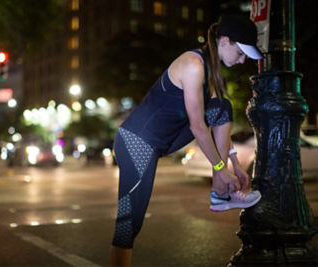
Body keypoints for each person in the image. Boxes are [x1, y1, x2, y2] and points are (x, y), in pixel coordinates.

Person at [110, 15, 263, 266]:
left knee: (222, 106)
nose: (243, 59)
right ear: (225, 41)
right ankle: (221, 183)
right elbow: (197, 126)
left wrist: (234, 164)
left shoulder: (211, 73)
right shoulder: (193, 64)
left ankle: (220, 193)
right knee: (129, 223)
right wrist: (219, 168)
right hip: (136, 142)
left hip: (162, 141)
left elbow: (216, 121)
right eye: (241, 51)